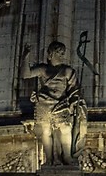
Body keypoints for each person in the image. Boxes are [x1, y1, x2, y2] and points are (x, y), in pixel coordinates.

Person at [27, 40, 87, 168]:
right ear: (50, 54)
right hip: (44, 103)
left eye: (63, 53)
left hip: (61, 104)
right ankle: (49, 159)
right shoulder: (43, 69)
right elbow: (26, 74)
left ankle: (67, 156)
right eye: (58, 52)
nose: (61, 55)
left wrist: (74, 101)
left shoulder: (67, 71)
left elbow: (74, 89)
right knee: (46, 131)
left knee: (65, 128)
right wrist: (25, 57)